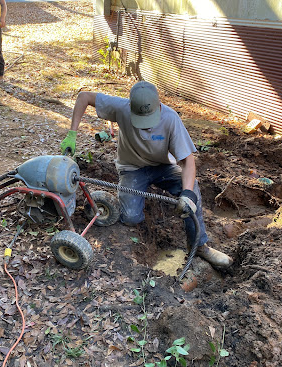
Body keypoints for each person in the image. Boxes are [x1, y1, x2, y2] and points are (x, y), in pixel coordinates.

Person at [60, 81, 233, 267]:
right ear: (130, 107)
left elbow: (188, 162)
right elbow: (84, 97)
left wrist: (188, 194)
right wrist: (72, 134)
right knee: (131, 217)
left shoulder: (170, 119)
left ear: (159, 106)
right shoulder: (121, 107)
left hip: (163, 167)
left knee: (192, 193)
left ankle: (199, 246)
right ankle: (122, 199)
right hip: (132, 167)